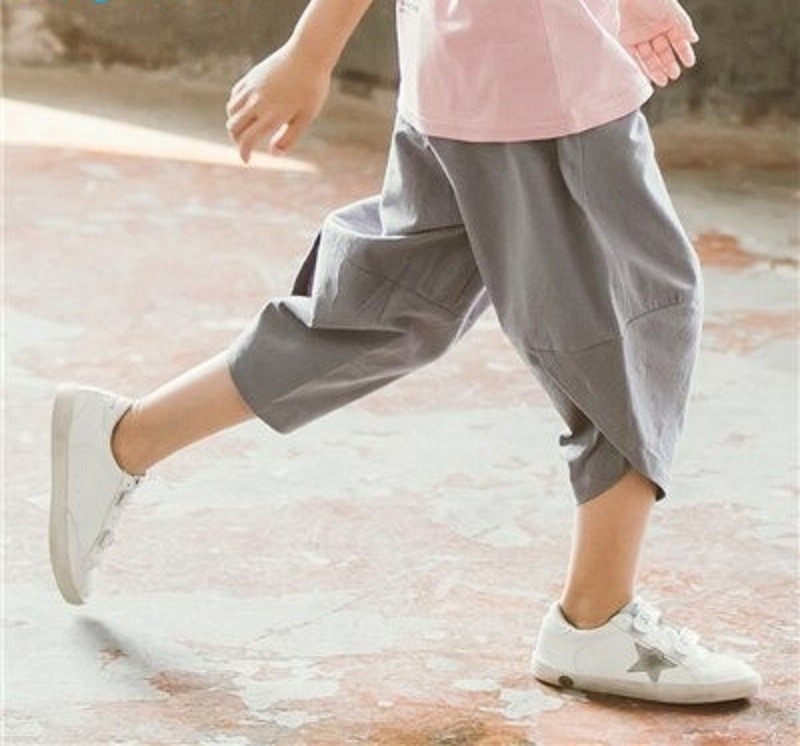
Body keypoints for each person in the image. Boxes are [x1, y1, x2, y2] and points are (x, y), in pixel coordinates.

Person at [48, 0, 762, 704]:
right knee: (636, 319)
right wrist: (311, 50)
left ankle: (125, 437)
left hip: (480, 62)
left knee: (388, 311)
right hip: (537, 81)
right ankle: (596, 617)